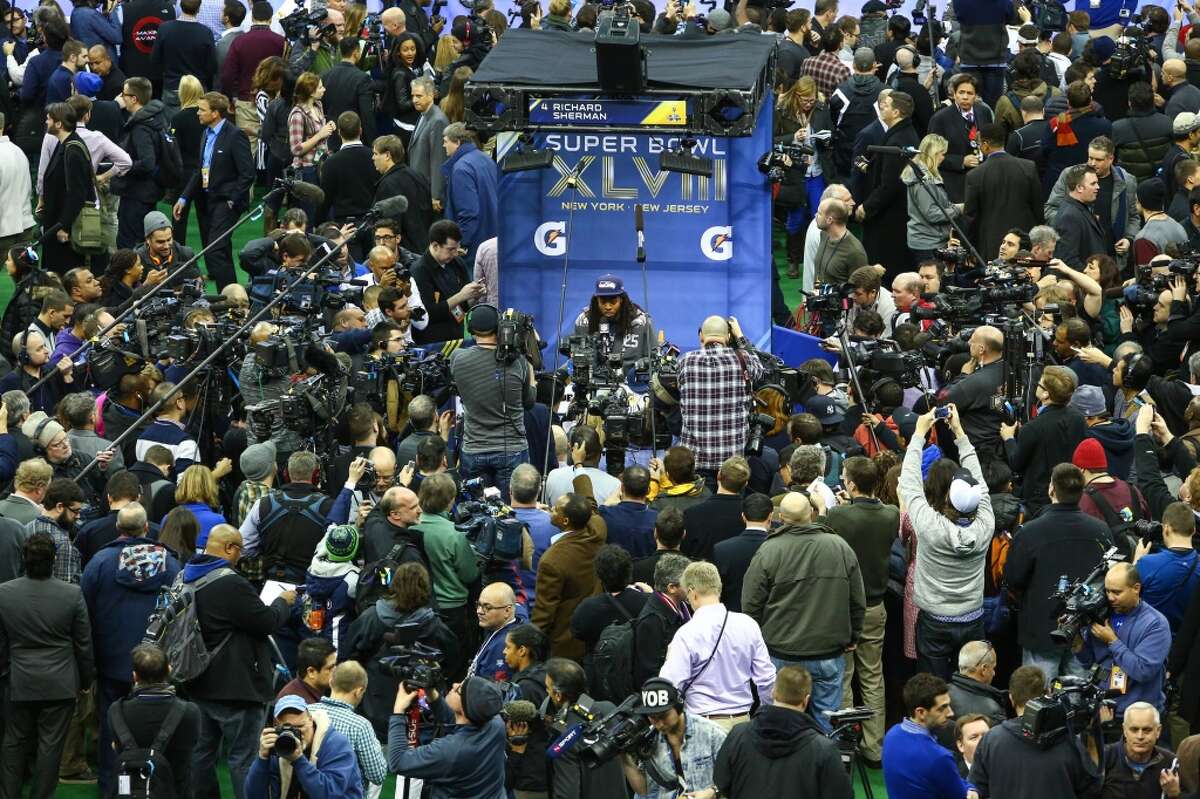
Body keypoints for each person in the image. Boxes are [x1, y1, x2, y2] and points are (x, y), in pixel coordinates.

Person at [185, 524, 297, 799]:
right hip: (236, 686)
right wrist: (283, 601)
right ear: (229, 548)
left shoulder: (185, 576)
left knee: (201, 753)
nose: (241, 557)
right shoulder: (230, 582)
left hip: (197, 679)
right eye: (239, 551)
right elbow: (266, 621)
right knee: (244, 758)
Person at [80, 502, 180, 796]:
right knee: (161, 730)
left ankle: (114, 790)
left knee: (113, 727)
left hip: (112, 662)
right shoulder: (171, 563)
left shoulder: (99, 562)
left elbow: (83, 613)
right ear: (146, 527)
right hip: (158, 663)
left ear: (117, 527)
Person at [742, 491, 864, 731]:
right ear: (811, 513)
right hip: (828, 652)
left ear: (780, 518)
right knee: (827, 723)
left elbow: (750, 604)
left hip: (780, 652)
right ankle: (825, 766)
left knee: (781, 721)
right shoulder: (839, 546)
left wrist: (756, 643)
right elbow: (857, 599)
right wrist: (853, 635)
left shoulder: (768, 551)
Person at [897, 405, 994, 680]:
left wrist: (918, 434)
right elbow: (980, 481)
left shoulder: (929, 525)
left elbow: (911, 484)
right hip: (973, 618)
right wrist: (959, 433)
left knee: (934, 689)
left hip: (934, 621)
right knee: (972, 683)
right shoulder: (986, 522)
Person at [0, 532, 93, 799]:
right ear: (54, 559)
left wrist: (5, 674)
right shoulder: (72, 594)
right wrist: (86, 682)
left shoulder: (4, 594)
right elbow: (84, 644)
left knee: (13, 742)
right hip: (60, 683)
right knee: (50, 747)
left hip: (18, 680)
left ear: (24, 558)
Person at [1005, 462, 1113, 678]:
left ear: (1051, 489)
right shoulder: (1101, 530)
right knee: (1078, 699)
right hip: (1084, 630)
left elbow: (1013, 579)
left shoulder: (1030, 532)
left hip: (1041, 630)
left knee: (1038, 701)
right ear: (1082, 490)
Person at [823, 454, 897, 761]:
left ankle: (845, 746)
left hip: (843, 609)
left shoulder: (838, 516)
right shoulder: (891, 514)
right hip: (876, 607)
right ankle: (874, 747)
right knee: (872, 676)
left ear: (851, 484)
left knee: (843, 676)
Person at [659, 561, 775, 729]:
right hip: (742, 723)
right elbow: (767, 679)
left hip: (702, 724)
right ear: (718, 588)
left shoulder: (686, 634)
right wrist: (765, 715)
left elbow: (669, 685)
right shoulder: (748, 624)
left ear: (692, 592)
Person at [713, 663, 851, 797]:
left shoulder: (738, 734)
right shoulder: (823, 749)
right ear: (806, 700)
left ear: (773, 692)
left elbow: (722, 782)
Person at [969, 664, 1100, 797]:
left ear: (1011, 697)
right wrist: (1093, 743)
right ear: (1047, 694)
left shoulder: (991, 740)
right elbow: (1092, 790)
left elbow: (976, 789)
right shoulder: (1068, 740)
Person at [449, 304, 534, 498]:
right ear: (499, 326)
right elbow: (529, 402)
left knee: (475, 512)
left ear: (471, 330)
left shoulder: (457, 358)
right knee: (509, 514)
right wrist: (531, 373)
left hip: (474, 450)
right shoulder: (518, 361)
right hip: (511, 451)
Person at [172, 92, 254, 289]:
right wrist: (183, 198)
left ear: (215, 113)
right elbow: (200, 170)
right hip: (208, 200)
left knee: (214, 249)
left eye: (202, 109)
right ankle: (233, 297)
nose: (198, 113)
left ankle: (227, 297)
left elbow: (247, 173)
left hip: (226, 201)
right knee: (221, 250)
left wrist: (233, 200)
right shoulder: (205, 134)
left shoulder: (235, 135)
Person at [1076, 562, 1171, 718]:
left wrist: (1113, 641)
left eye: (1117, 592)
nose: (1110, 598)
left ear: (1136, 588)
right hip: (1103, 709)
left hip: (1139, 715)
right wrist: (1077, 644)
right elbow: (1088, 662)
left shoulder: (1155, 624)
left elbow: (1143, 671)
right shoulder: (1102, 615)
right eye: (1107, 591)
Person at [107, 644, 201, 799]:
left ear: (135, 676)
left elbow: (116, 748)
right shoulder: (190, 712)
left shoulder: (116, 711)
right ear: (169, 670)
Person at [388, 676, 507, 798]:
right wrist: (431, 693)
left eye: (460, 690)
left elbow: (398, 761)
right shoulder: (496, 724)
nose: (454, 684)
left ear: (465, 710)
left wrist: (398, 711)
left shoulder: (451, 750)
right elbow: (458, 721)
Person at [678, 316, 763, 483]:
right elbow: (760, 370)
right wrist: (740, 336)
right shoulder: (743, 359)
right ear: (728, 337)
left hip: (695, 462)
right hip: (733, 464)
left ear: (701, 336)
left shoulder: (685, 361)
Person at [620, 677, 728, 799]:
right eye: (653, 718)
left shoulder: (711, 733)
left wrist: (713, 792)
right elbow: (644, 791)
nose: (659, 724)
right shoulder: (648, 740)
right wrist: (624, 758)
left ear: (678, 707)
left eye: (664, 716)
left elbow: (736, 775)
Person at [240, 450, 338, 582]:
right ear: (316, 475)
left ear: (285, 474)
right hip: (311, 585)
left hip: (270, 582)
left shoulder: (263, 504)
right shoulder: (330, 507)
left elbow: (243, 547)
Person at [531, 488, 604, 661]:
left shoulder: (552, 561)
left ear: (565, 521)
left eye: (554, 509)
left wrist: (530, 646)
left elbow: (544, 611)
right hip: (594, 633)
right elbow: (591, 510)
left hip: (564, 642)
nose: (549, 510)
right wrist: (579, 467)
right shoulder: (598, 530)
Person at [245, 694, 363, 799]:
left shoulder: (336, 745)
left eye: (300, 726)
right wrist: (262, 758)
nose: (294, 733)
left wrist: (298, 760)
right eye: (287, 728)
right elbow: (253, 796)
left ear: (311, 720)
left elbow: (329, 794)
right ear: (276, 726)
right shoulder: (279, 746)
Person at [858, 91, 921, 279]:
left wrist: (866, 206)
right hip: (899, 214)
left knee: (887, 267)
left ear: (896, 112)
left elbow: (890, 185)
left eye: (886, 104)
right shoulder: (905, 133)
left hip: (890, 220)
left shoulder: (897, 141)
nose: (882, 106)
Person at [882, 673, 972, 799]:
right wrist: (971, 788)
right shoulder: (939, 757)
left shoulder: (891, 734)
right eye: (942, 708)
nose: (950, 713)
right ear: (921, 712)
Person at [963, 123, 1043, 261]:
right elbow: (1038, 207)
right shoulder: (1028, 167)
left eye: (979, 143)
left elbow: (971, 217)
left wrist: (970, 249)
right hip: (1023, 242)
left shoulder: (975, 175)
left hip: (991, 243)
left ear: (986, 144)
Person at [309, 661, 386, 794]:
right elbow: (378, 775)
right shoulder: (360, 726)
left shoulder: (307, 712)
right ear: (359, 691)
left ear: (331, 681)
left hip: (308, 790)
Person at [111, 76, 166, 249]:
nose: (122, 98)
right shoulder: (156, 118)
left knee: (130, 243)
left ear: (134, 99)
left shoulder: (140, 127)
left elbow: (147, 162)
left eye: (124, 94)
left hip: (136, 193)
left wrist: (123, 167)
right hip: (147, 191)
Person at [411, 219, 484, 344]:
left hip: (459, 336)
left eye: (457, 248)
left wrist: (474, 295)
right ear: (435, 246)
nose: (455, 253)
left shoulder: (457, 264)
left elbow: (464, 305)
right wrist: (461, 296)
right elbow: (429, 314)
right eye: (450, 249)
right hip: (434, 341)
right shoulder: (419, 271)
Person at [40, 102, 94, 272]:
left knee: (65, 275)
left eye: (49, 119)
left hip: (64, 230)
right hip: (57, 223)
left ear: (59, 124)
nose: (46, 122)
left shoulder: (73, 150)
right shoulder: (65, 145)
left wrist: (64, 226)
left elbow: (77, 194)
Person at [927, 73, 993, 204]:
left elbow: (990, 142)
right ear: (954, 94)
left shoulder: (984, 112)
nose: (965, 97)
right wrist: (961, 161)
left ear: (976, 96)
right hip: (955, 184)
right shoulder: (940, 118)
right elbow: (931, 156)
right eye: (961, 92)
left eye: (969, 93)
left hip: (983, 180)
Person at [1136, 502, 1200, 633]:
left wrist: (1137, 559)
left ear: (1166, 528)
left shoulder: (1147, 563)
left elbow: (1126, 593)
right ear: (1193, 530)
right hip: (1187, 645)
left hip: (1151, 639)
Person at [571, 273, 655, 368]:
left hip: (630, 379)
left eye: (613, 301)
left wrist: (638, 368)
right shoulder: (584, 321)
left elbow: (653, 357)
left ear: (621, 300)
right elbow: (576, 357)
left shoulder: (640, 321)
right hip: (592, 378)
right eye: (603, 301)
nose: (608, 307)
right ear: (596, 300)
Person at [149, 0, 216, 112]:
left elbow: (154, 59)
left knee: (171, 126)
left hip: (172, 86)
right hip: (196, 88)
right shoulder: (205, 32)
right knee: (196, 124)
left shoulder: (165, 28)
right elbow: (211, 66)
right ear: (199, 9)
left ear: (180, 6)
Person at [712, 494, 771, 613]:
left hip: (732, 619)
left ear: (743, 516)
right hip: (769, 619)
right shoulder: (778, 548)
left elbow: (717, 590)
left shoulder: (721, 549)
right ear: (770, 516)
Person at [1102, 702, 1177, 795]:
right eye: (1134, 729)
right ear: (1124, 730)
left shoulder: (1170, 762)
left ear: (1158, 731)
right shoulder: (1104, 758)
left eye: (1147, 730)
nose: (1140, 736)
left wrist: (1175, 794)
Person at [320, 38, 376, 150]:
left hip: (331, 136)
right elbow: (366, 114)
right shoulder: (362, 78)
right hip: (353, 138)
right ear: (356, 52)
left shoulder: (326, 75)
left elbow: (323, 107)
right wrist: (373, 143)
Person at [407, 76, 448, 210]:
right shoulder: (423, 114)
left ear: (431, 95)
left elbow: (438, 159)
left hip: (428, 191)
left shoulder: (437, 121)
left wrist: (436, 194)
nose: (414, 100)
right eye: (413, 96)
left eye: (419, 96)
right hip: (420, 188)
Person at [946, 641, 1006, 727]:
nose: (994, 673)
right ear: (984, 669)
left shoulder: (943, 695)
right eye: (993, 668)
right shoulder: (993, 711)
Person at [468, 582, 520, 681]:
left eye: (487, 607)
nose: (479, 611)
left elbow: (490, 691)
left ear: (507, 611)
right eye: (478, 605)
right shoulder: (497, 627)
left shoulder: (504, 645)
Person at [277, 637, 336, 706]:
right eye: (330, 668)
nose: (336, 671)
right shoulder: (296, 706)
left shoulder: (322, 689)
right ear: (311, 672)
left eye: (335, 665)